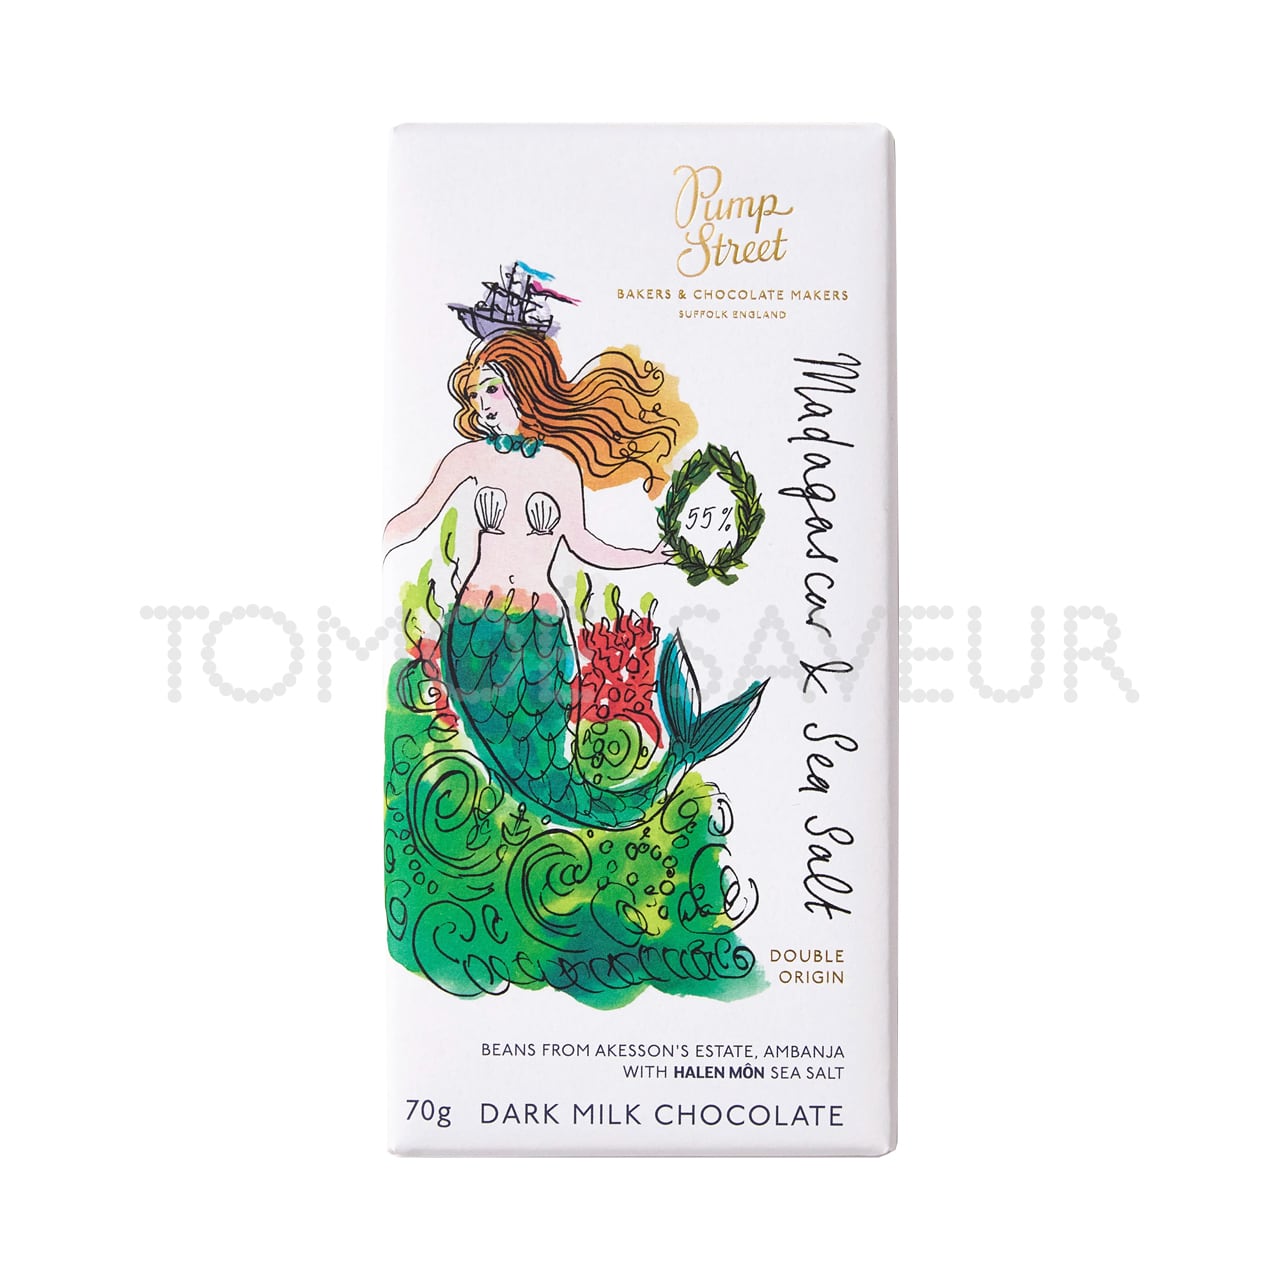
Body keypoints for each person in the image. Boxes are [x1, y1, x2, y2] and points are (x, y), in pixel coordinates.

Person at [382, 316, 766, 1007]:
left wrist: (653, 556)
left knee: (548, 771)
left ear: (524, 386)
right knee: (514, 770)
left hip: (540, 639)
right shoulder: (468, 460)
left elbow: (586, 545)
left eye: (493, 386)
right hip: (476, 635)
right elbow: (413, 518)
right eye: (477, 389)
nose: (482, 401)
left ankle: (670, 762)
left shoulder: (560, 467)